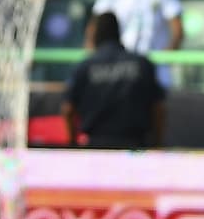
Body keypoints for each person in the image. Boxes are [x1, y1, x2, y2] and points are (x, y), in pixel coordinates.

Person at [62, 12, 166, 149]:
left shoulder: (85, 67)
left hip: (95, 148)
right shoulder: (142, 64)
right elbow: (158, 109)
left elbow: (68, 110)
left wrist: (73, 143)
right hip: (135, 147)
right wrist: (157, 144)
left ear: (94, 34)